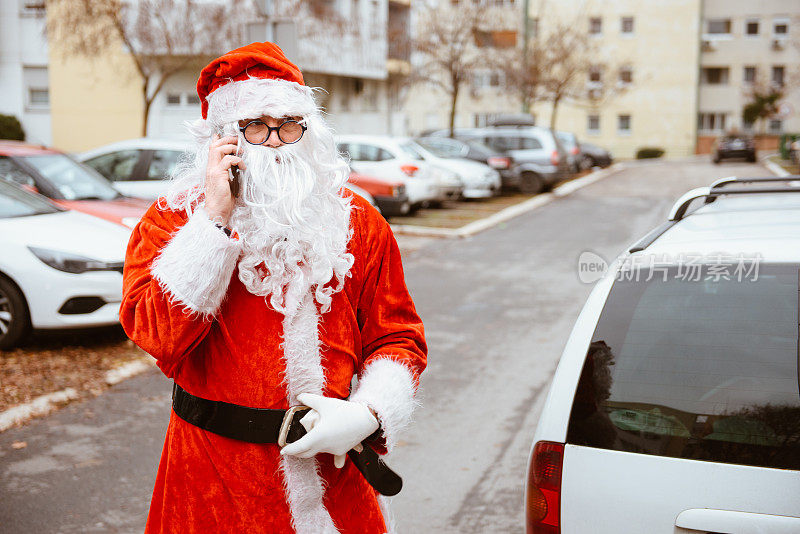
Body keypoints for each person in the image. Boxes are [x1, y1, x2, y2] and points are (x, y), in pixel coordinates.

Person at [120, 41, 427, 534]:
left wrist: (369, 413)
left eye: (289, 124)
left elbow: (398, 336)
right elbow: (156, 335)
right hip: (214, 481)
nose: (278, 141)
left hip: (337, 480)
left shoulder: (358, 221)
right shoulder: (175, 218)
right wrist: (214, 223)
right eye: (257, 126)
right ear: (224, 137)